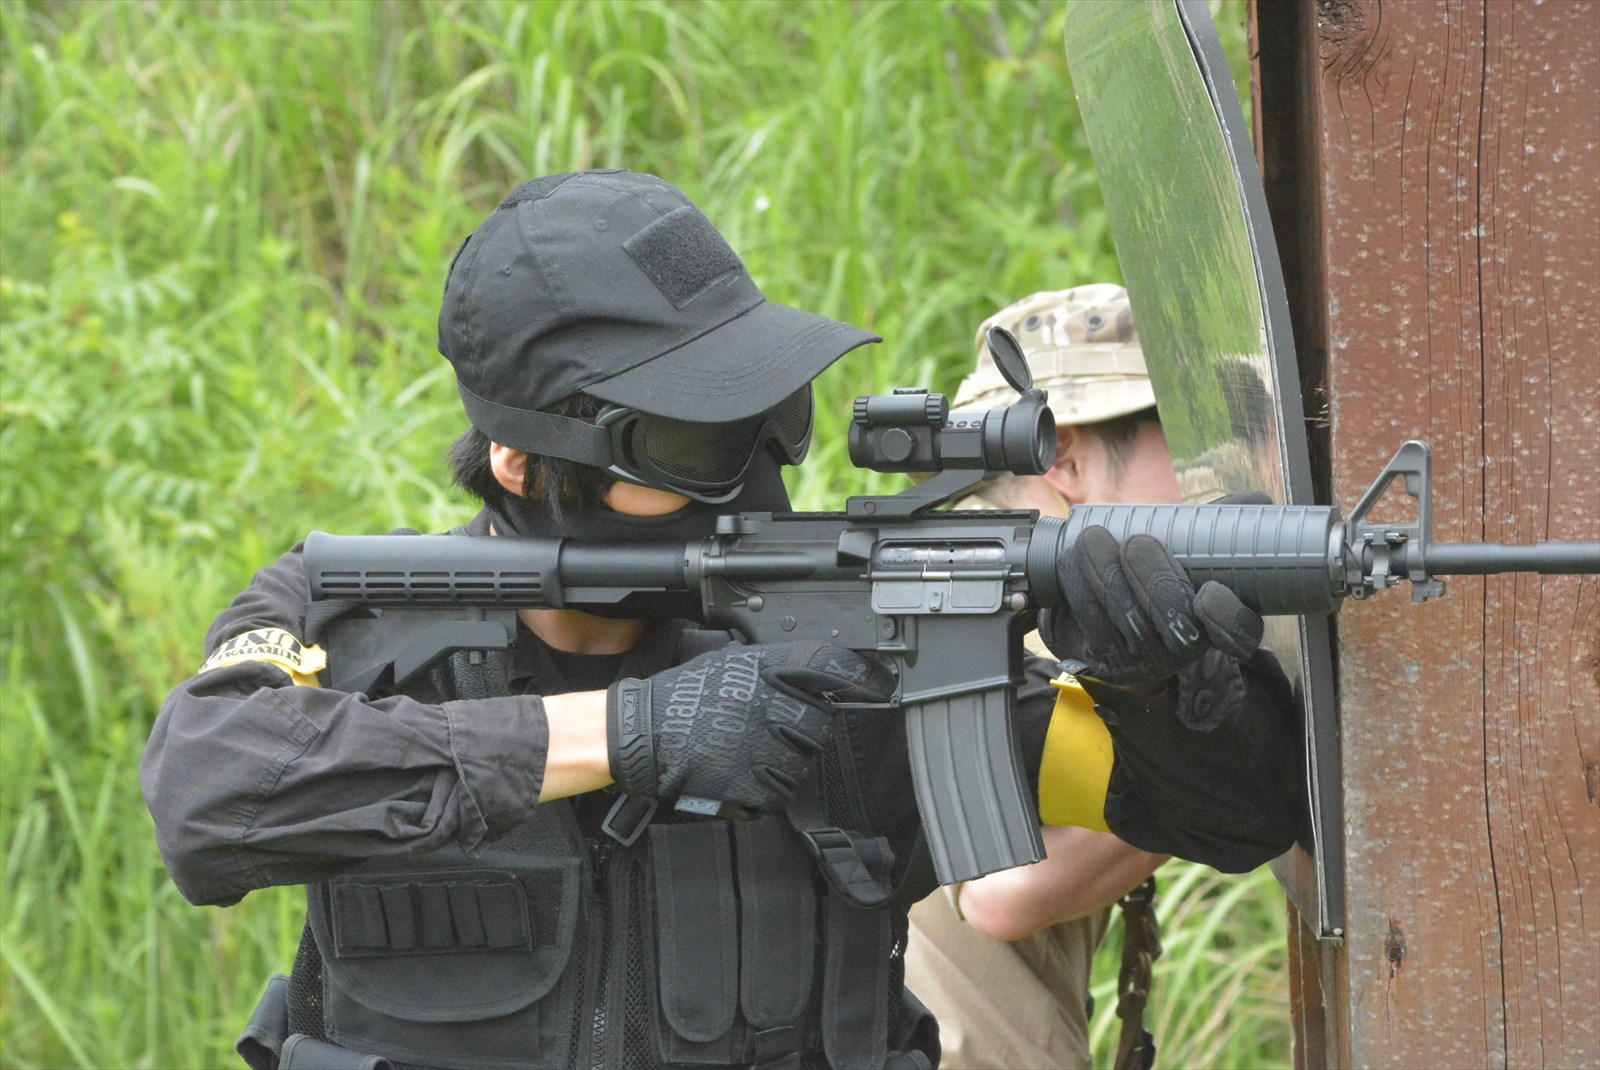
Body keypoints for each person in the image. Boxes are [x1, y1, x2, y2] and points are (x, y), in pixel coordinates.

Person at [141, 172, 1304, 1070]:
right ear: (521, 459)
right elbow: (209, 790)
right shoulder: (356, 616)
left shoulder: (841, 662)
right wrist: (628, 732)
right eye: (691, 442)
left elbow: (1238, 811)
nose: (751, 478)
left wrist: (1164, 691)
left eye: (766, 419)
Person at [903, 285, 1191, 1070]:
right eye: (1181, 439)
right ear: (1065, 458)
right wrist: (1247, 748)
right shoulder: (982, 605)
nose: (1207, 475)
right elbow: (1005, 892)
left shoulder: (976, 575)